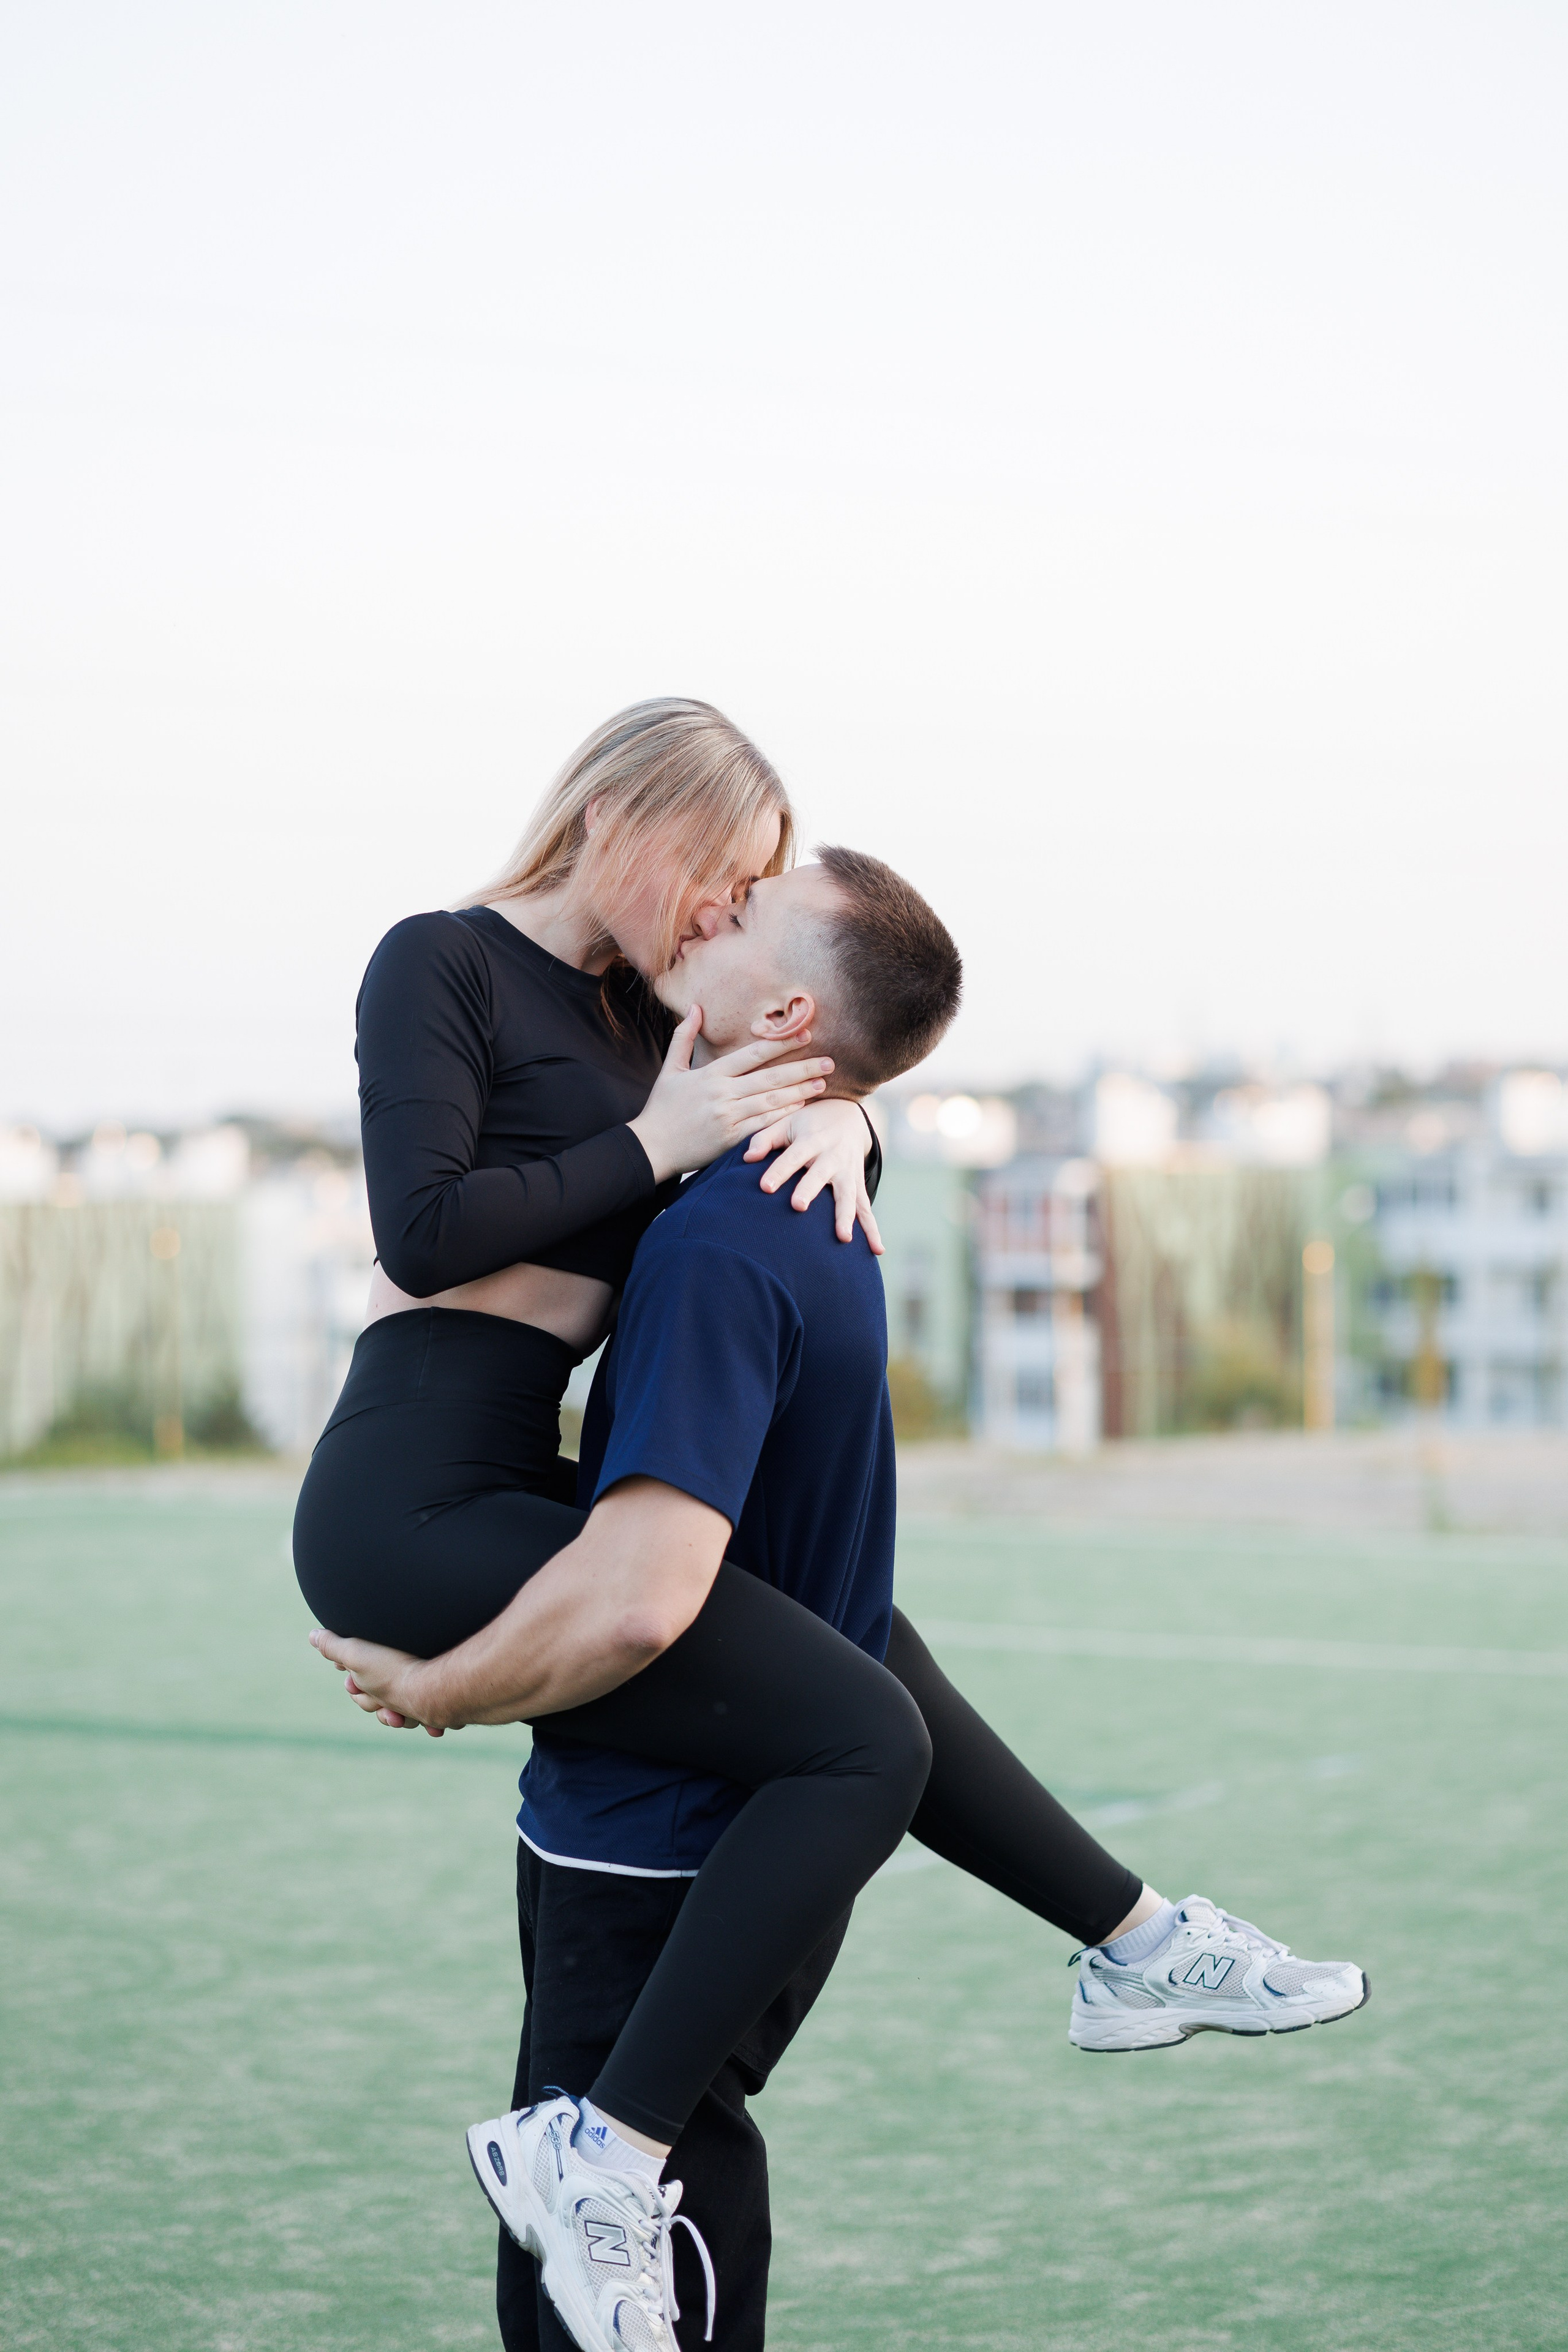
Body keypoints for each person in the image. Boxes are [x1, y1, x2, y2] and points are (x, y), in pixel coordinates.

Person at [317, 848, 1368, 2352]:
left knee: (863, 1694)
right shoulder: (702, 1186)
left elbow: (647, 1593)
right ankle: (1120, 1946)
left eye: (744, 904)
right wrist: (443, 1687)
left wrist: (839, 1104)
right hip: (451, 1552)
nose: (712, 907)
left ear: (792, 1006)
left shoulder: (763, 1200)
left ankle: (1128, 1940)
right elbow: (617, 1559)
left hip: (649, 1800)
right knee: (862, 1736)